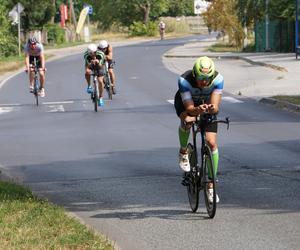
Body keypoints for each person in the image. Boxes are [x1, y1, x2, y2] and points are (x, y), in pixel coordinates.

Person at [174, 56, 224, 203]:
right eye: (201, 78)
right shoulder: (184, 80)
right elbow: (189, 108)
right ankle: (183, 151)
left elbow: (215, 107)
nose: (204, 81)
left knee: (212, 143)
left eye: (207, 78)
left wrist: (210, 108)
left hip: (205, 104)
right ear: (195, 74)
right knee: (188, 121)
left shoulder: (218, 79)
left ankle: (210, 184)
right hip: (188, 103)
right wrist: (195, 111)